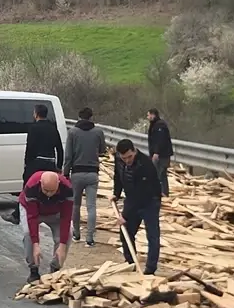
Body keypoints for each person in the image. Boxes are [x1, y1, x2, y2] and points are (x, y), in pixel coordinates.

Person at [3, 104, 63, 225]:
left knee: (28, 187)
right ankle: (51, 214)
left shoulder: (34, 128)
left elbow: (30, 147)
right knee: (50, 189)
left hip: (37, 163)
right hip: (50, 163)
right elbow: (60, 149)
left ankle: (17, 215)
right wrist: (58, 166)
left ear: (36, 114)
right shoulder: (53, 128)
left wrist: (27, 164)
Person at [112, 139, 162, 275]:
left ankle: (150, 269)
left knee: (152, 235)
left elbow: (140, 193)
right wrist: (116, 194)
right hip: (133, 198)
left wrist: (125, 215)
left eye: (130, 157)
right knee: (126, 233)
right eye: (124, 158)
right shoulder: (118, 160)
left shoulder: (145, 164)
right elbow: (118, 176)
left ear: (134, 151)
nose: (127, 160)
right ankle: (131, 263)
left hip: (150, 200)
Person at [19, 170, 74, 284]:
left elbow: (66, 217)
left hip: (55, 212)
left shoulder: (67, 189)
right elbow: (32, 217)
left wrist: (62, 244)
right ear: (40, 183)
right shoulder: (32, 186)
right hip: (33, 211)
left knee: (68, 233)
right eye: (46, 190)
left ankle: (55, 268)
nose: (49, 194)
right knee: (28, 233)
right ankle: (34, 270)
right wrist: (36, 243)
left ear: (58, 184)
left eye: (52, 191)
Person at [64, 107, 105, 247]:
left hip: (76, 173)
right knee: (91, 206)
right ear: (91, 117)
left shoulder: (73, 132)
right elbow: (102, 150)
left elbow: (68, 156)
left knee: (75, 205)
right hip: (93, 173)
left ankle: (76, 233)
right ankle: (90, 237)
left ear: (79, 117)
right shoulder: (98, 132)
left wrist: (65, 173)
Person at [146, 109, 174, 198]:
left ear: (153, 115)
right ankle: (159, 192)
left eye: (148, 115)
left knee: (161, 174)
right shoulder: (155, 124)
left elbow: (160, 140)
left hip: (162, 156)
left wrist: (156, 152)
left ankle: (164, 193)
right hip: (158, 154)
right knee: (157, 174)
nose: (147, 117)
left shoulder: (160, 125)